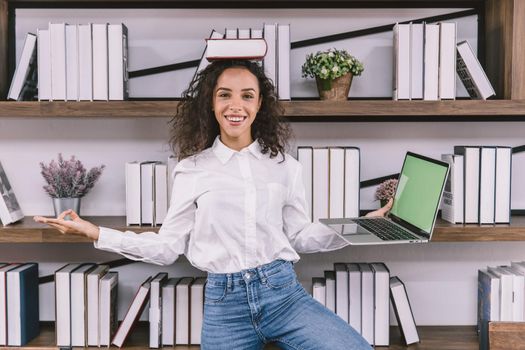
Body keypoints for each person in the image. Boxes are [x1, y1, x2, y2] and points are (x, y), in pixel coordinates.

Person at [34, 60, 392, 350]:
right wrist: (96, 232)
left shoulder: (285, 167)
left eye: (247, 96)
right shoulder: (191, 170)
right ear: (212, 103)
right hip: (225, 306)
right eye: (225, 95)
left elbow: (300, 236)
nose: (236, 106)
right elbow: (166, 248)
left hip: (284, 295)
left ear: (259, 104)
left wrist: (366, 223)